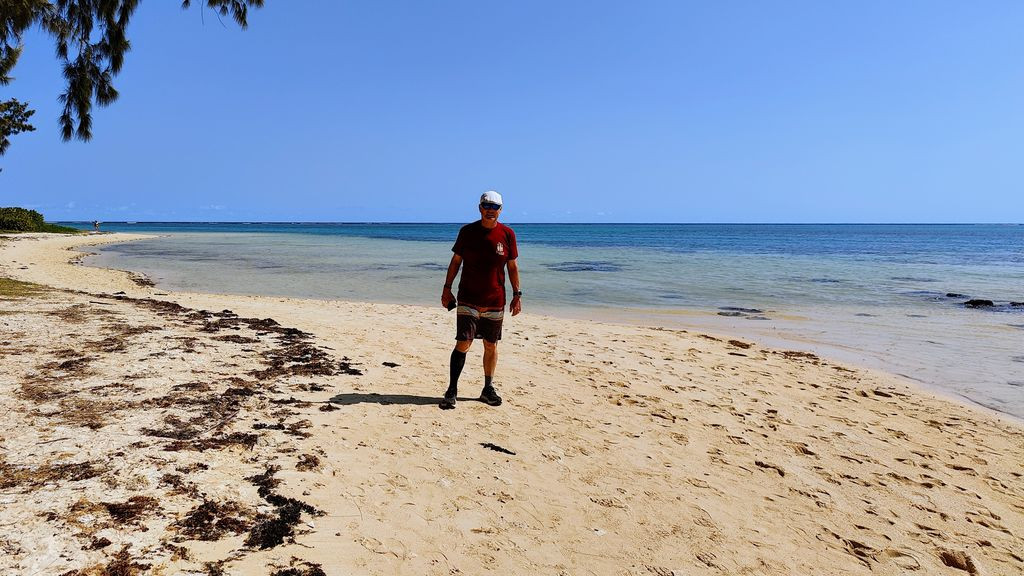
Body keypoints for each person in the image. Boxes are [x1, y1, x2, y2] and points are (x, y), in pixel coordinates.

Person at [439, 190, 522, 409]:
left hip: (496, 300)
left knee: (491, 345)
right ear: (480, 207)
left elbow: (512, 266)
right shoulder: (467, 232)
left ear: (501, 210)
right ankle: (452, 389)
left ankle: (487, 388)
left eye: (495, 207)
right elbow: (456, 261)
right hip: (468, 298)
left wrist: (517, 294)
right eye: (487, 206)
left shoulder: (508, 234)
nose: (490, 210)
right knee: (463, 343)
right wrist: (447, 288)